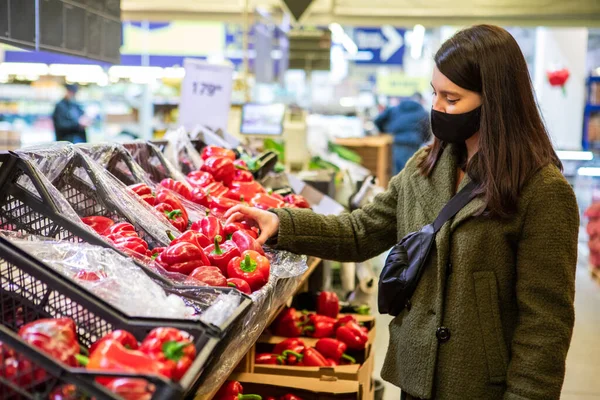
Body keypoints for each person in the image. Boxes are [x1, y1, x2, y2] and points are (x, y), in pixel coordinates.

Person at [226, 25, 578, 400]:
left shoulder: (542, 192)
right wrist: (283, 222)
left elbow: (545, 324)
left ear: (496, 101)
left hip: (481, 386)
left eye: (452, 98)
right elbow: (362, 232)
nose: (437, 108)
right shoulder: (425, 166)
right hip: (416, 376)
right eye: (434, 94)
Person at [374, 92, 429, 174]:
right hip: (414, 143)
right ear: (421, 100)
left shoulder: (396, 109)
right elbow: (427, 130)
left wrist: (384, 131)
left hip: (397, 141)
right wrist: (421, 140)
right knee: (410, 171)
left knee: (397, 172)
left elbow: (378, 120)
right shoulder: (423, 112)